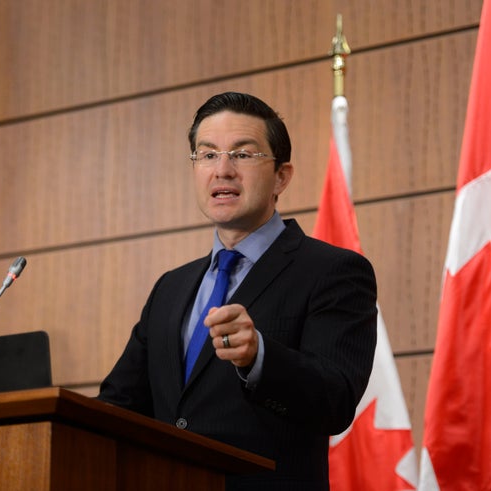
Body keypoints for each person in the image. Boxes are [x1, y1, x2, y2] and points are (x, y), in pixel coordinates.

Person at [98, 91, 377, 490]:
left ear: (282, 176)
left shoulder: (334, 272)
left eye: (243, 155)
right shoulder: (170, 288)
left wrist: (259, 357)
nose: (222, 170)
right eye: (207, 155)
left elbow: (336, 401)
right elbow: (119, 405)